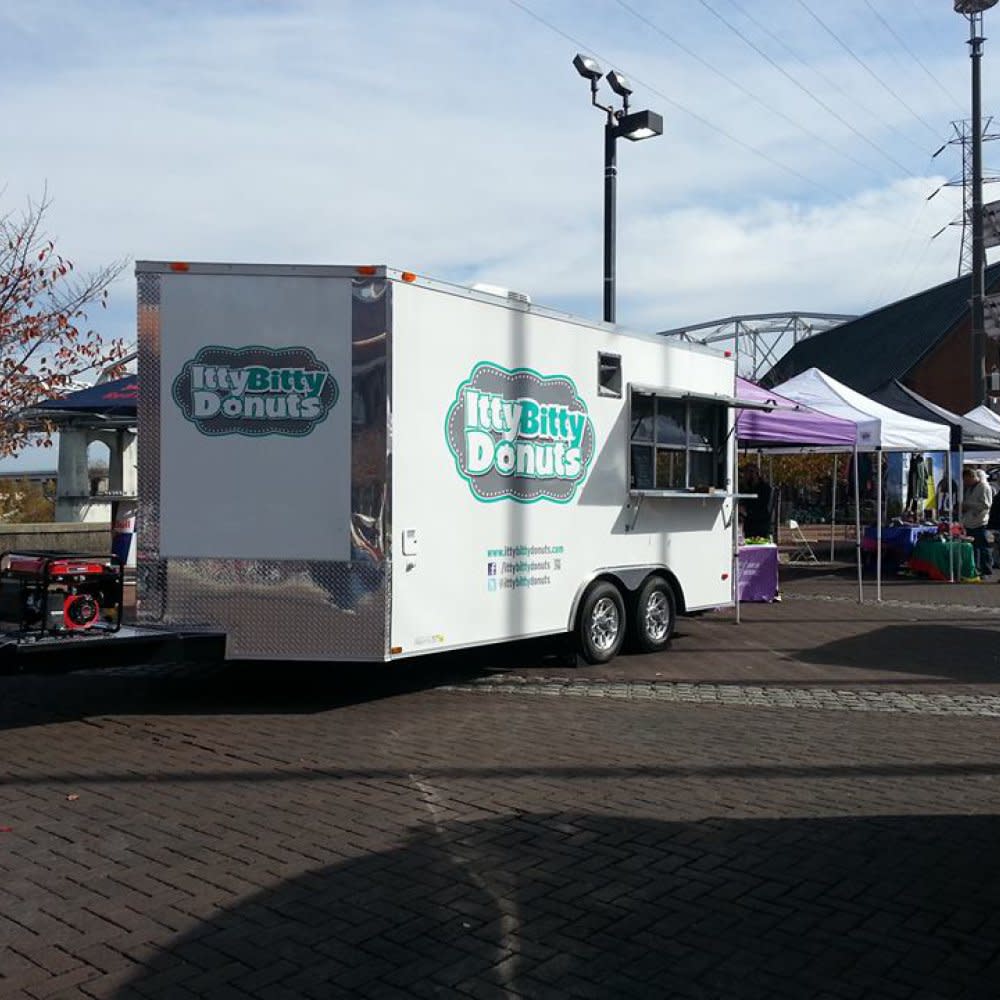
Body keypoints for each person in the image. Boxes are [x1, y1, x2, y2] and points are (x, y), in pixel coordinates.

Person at [962, 466, 993, 578]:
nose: (965, 482)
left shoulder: (984, 487)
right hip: (970, 522)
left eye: (966, 480)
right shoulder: (970, 488)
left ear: (972, 476)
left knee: (983, 547)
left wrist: (968, 505)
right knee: (974, 548)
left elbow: (986, 505)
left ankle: (987, 571)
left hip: (980, 522)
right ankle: (976, 568)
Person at [741, 465, 774, 540]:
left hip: (761, 524)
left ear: (756, 473)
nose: (747, 475)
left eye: (751, 472)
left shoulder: (764, 488)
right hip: (749, 524)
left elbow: (763, 506)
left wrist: (747, 512)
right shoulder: (747, 488)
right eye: (746, 473)